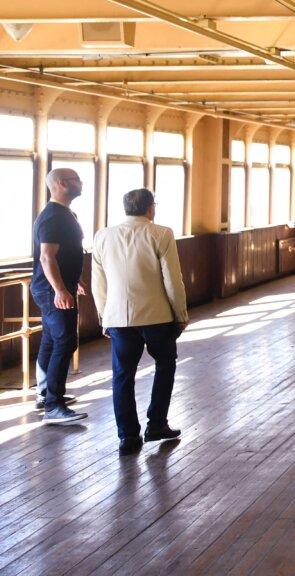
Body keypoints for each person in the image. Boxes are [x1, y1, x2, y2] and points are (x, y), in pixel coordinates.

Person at [91, 188, 189, 456]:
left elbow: (98, 283)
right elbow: (172, 278)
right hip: (157, 315)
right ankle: (156, 424)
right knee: (165, 364)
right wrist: (180, 314)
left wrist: (104, 317)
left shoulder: (103, 236)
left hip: (118, 318)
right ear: (150, 208)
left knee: (122, 375)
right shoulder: (161, 233)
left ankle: (127, 436)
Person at [31, 168, 89, 424]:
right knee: (65, 341)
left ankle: (45, 393)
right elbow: (47, 256)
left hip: (58, 285)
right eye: (77, 179)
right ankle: (53, 406)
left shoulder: (65, 214)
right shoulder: (53, 216)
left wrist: (73, 281)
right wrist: (60, 289)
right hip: (51, 289)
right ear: (63, 184)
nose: (81, 183)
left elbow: (67, 253)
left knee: (52, 340)